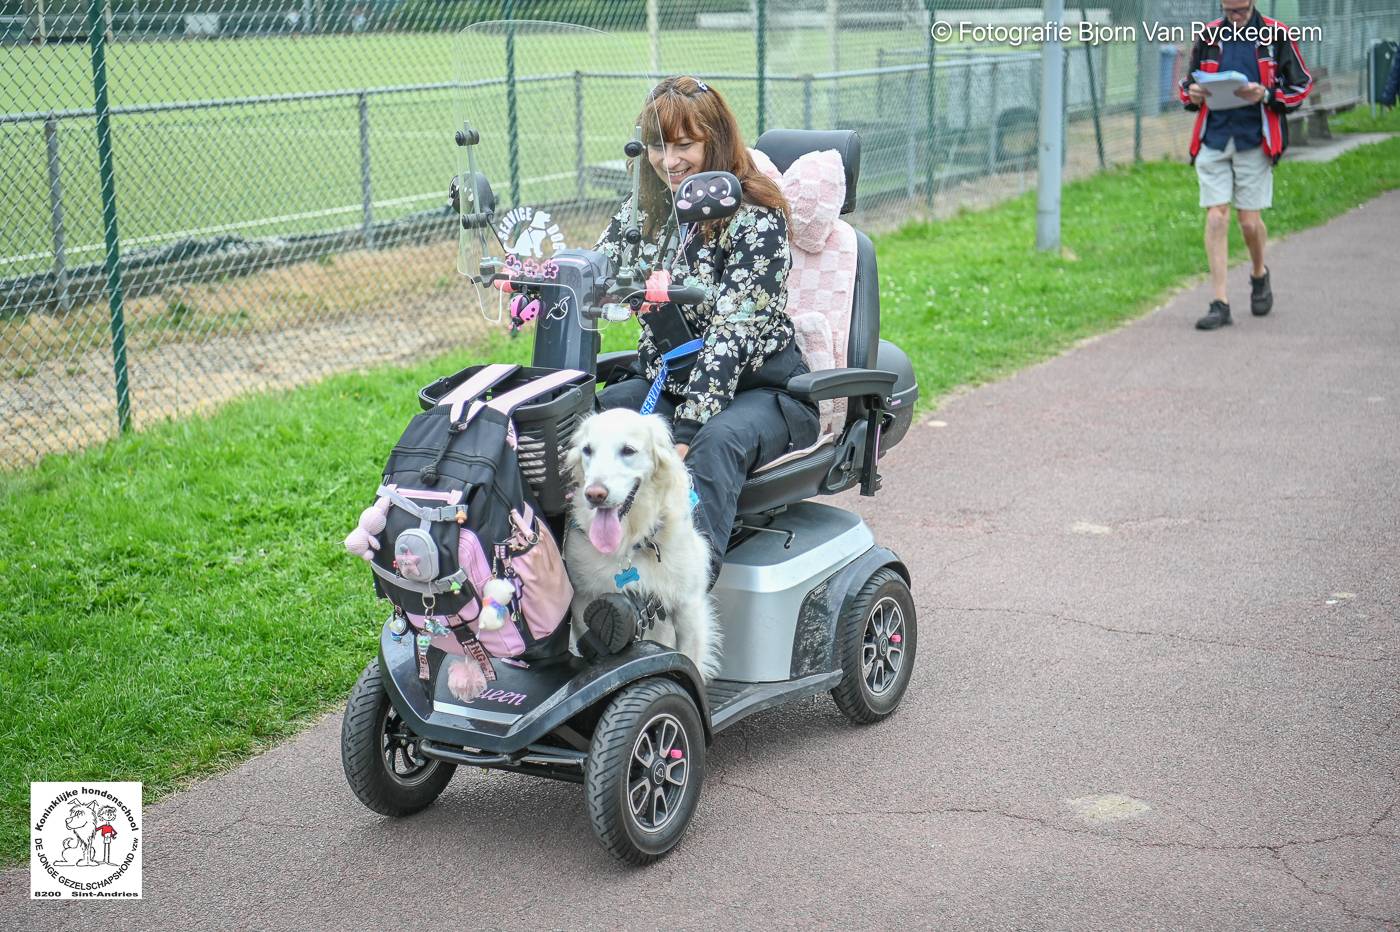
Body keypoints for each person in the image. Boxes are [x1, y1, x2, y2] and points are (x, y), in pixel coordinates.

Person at [592, 75, 819, 586]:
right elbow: (600, 268)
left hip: (759, 390)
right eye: (656, 145)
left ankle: (674, 593)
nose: (667, 161)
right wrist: (539, 278)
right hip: (668, 384)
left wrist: (687, 432)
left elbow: (731, 336)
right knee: (584, 422)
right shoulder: (644, 211)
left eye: (683, 145)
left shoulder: (757, 217)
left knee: (714, 444)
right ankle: (567, 579)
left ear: (714, 141)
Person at [1180, 0, 1312, 331]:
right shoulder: (1209, 36)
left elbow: (1299, 86)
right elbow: (1187, 87)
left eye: (1239, 10)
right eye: (1228, 11)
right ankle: (1220, 302)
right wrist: (1193, 94)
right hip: (1215, 138)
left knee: (1249, 223)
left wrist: (1266, 95)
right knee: (1215, 217)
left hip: (1255, 138)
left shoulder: (1276, 35)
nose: (1234, 17)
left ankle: (1258, 273)